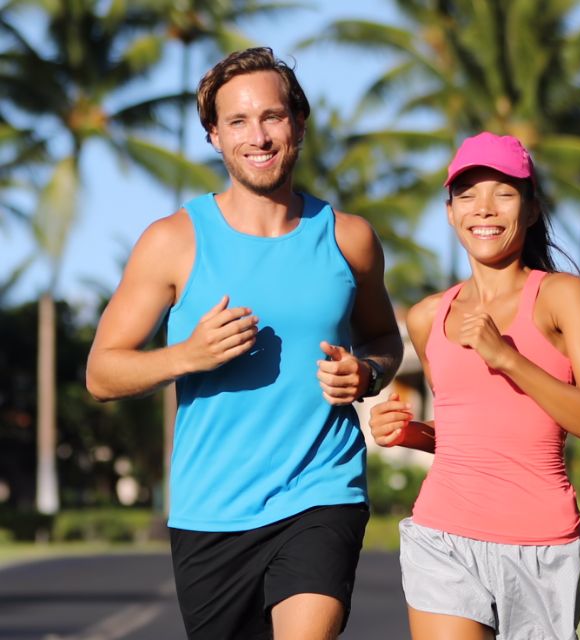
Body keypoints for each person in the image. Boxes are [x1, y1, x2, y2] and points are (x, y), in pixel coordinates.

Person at [86, 47, 403, 640]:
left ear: (298, 125)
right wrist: (187, 356)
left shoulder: (350, 239)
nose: (257, 136)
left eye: (272, 117)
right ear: (214, 136)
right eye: (237, 121)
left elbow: (384, 338)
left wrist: (368, 373)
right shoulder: (172, 242)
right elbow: (102, 374)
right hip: (212, 510)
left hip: (322, 492)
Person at [369, 131, 580, 640]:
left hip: (542, 545)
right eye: (467, 195)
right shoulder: (426, 317)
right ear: (449, 211)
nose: (484, 209)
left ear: (530, 210)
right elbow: (472, 434)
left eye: (503, 193)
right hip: (443, 534)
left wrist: (509, 358)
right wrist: (410, 432)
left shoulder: (561, 297)